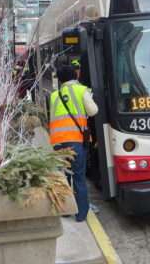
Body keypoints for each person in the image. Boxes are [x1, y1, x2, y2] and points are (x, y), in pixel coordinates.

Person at [49, 62, 98, 222]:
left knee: (63, 177)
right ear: (75, 75)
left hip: (57, 143)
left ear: (60, 80)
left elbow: (52, 120)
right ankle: (81, 214)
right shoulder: (82, 90)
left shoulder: (54, 95)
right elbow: (93, 111)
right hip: (75, 142)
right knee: (79, 177)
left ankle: (65, 210)